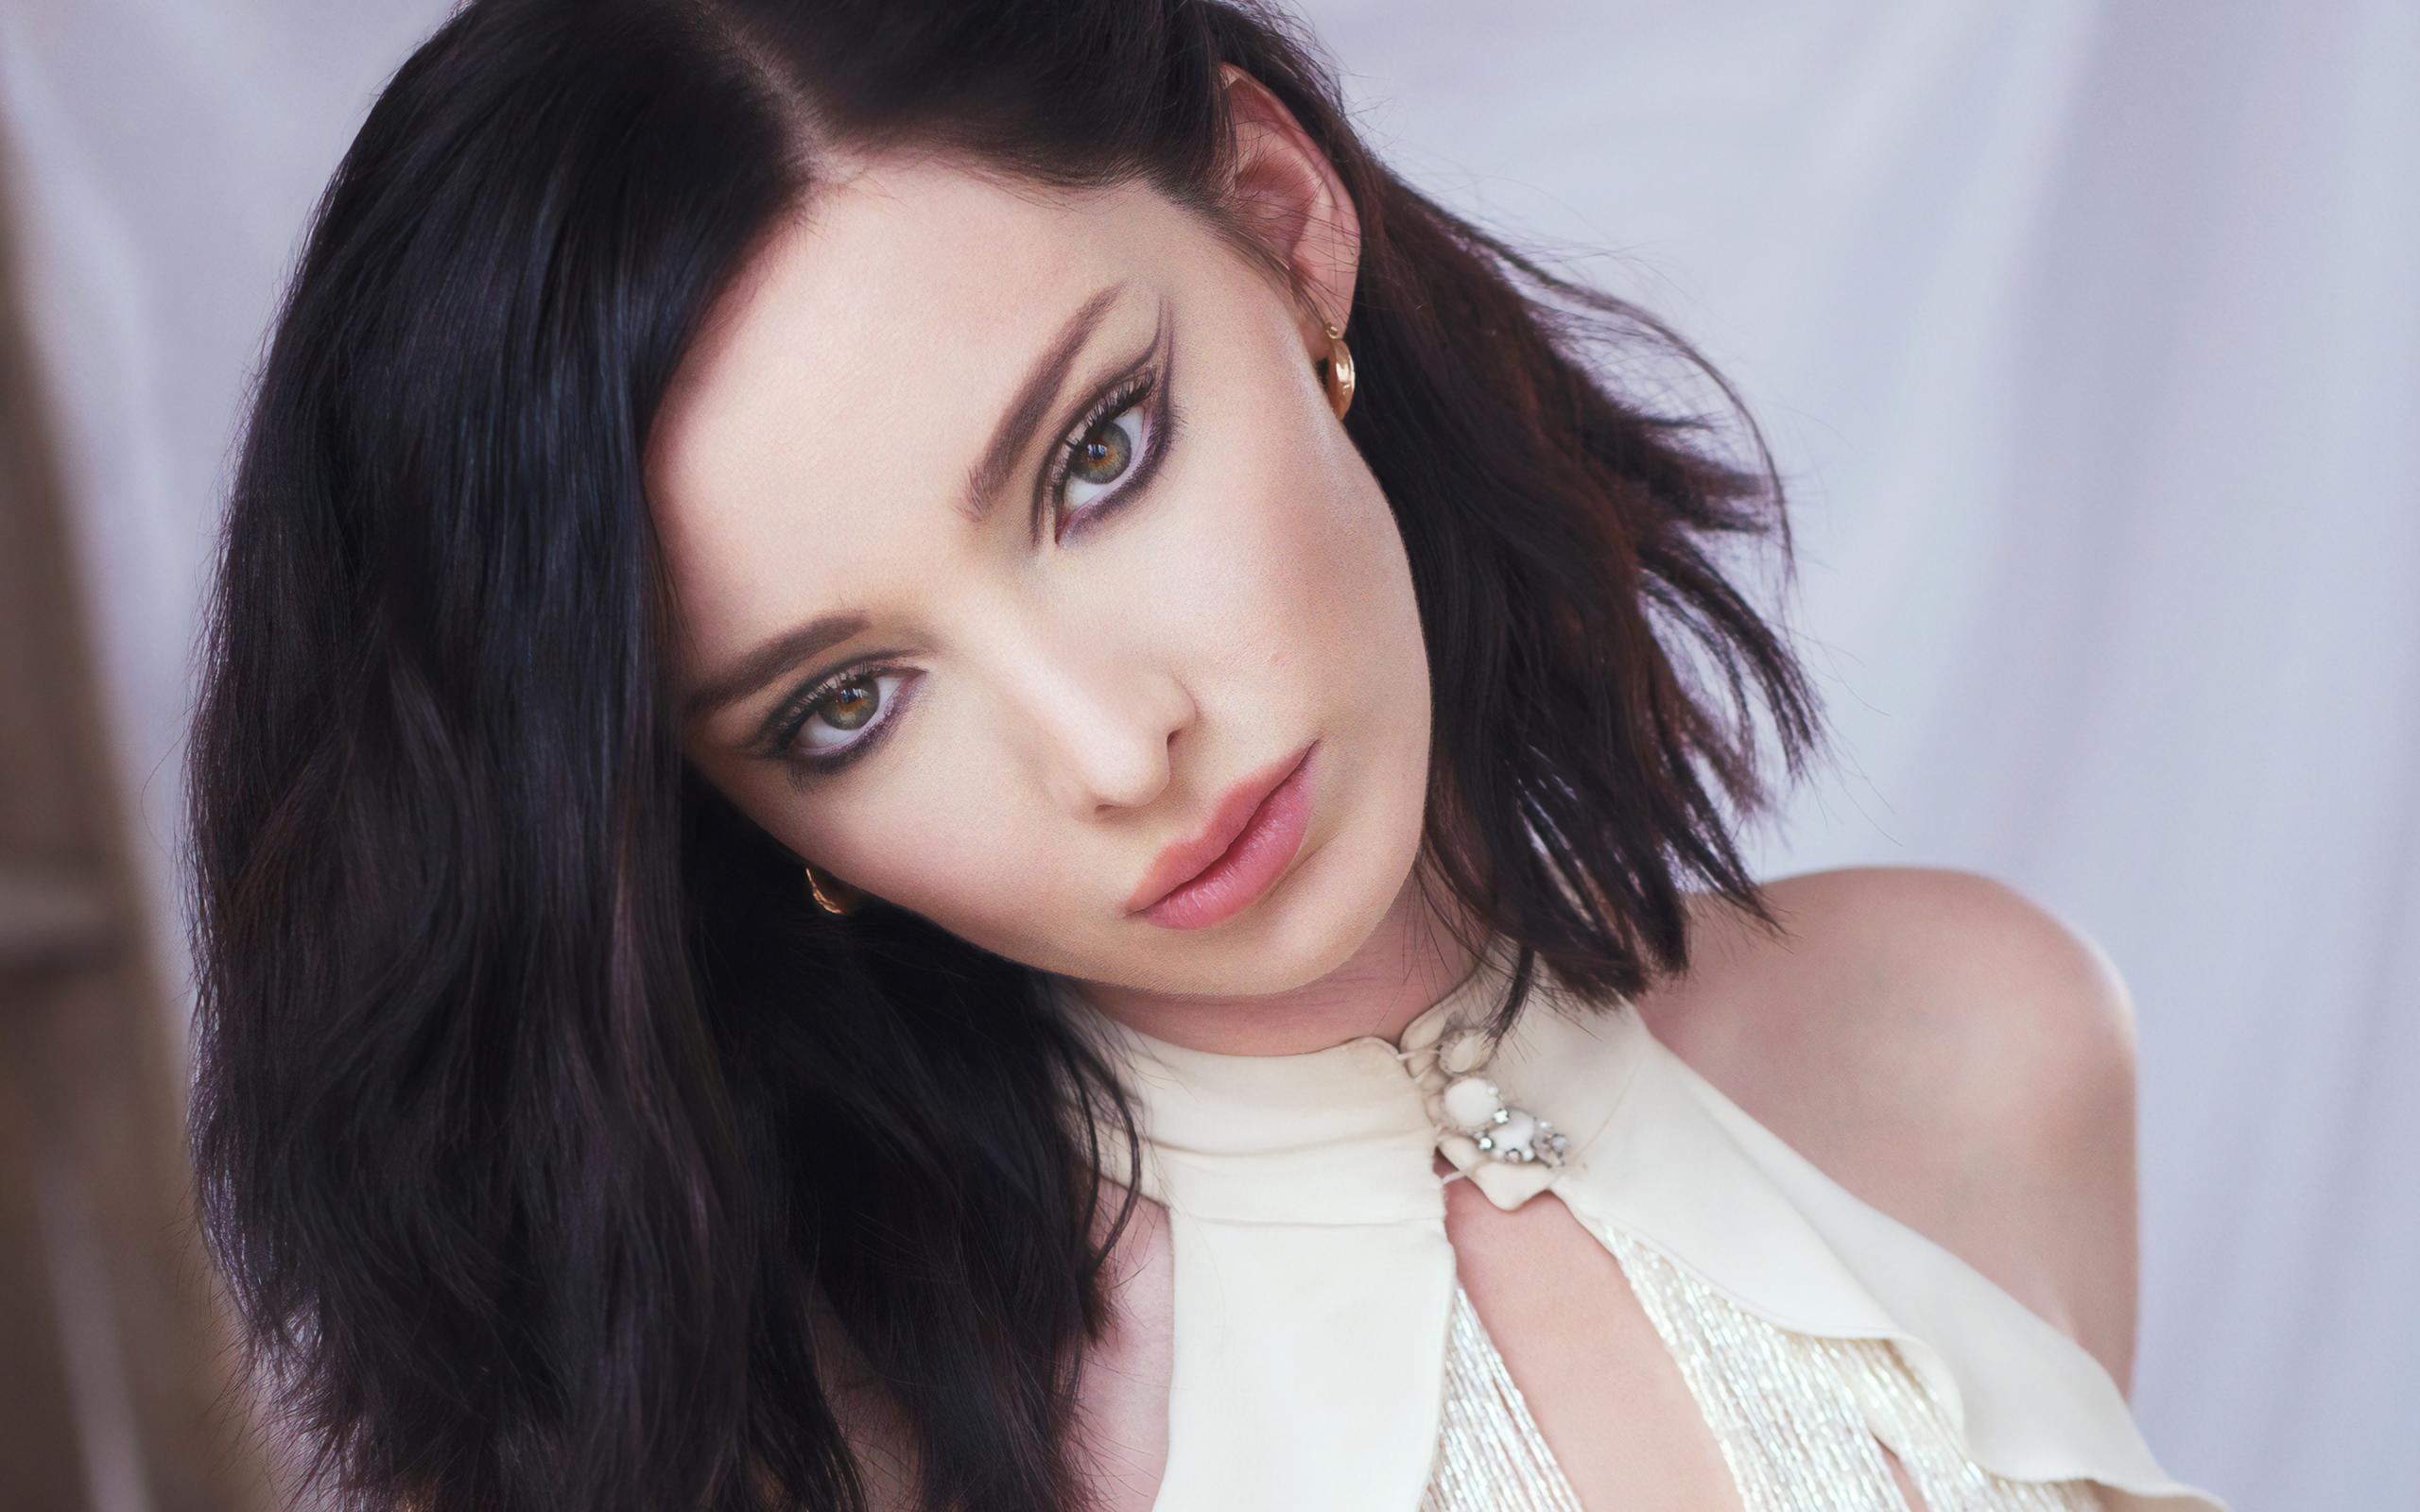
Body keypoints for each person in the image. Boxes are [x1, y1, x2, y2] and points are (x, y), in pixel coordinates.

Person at [182, 1, 2225, 1509]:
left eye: (1096, 456)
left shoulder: (1975, 1044)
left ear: (1277, 218)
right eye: (843, 703)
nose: (1113, 746)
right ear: (731, 816)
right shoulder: (792, 1461)